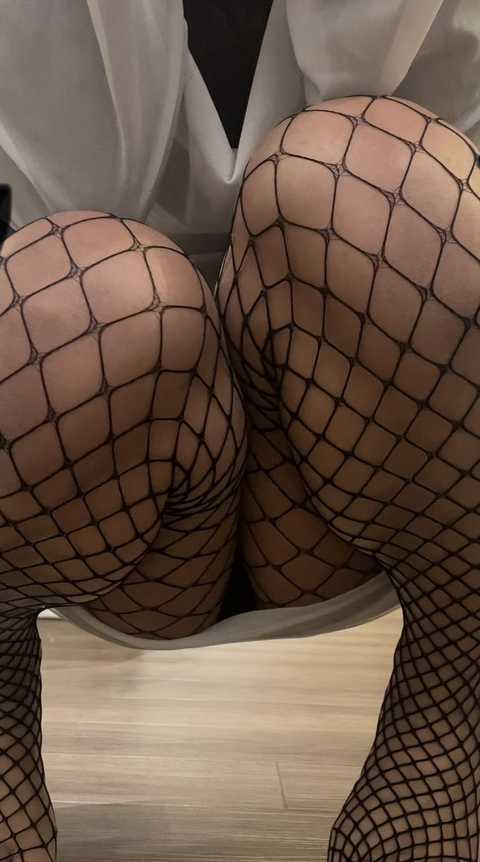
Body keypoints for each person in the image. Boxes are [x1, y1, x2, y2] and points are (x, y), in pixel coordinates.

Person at [0, 2, 479, 860]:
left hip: (374, 482)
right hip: (100, 489)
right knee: (88, 299)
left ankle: (452, 717)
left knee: (372, 178)